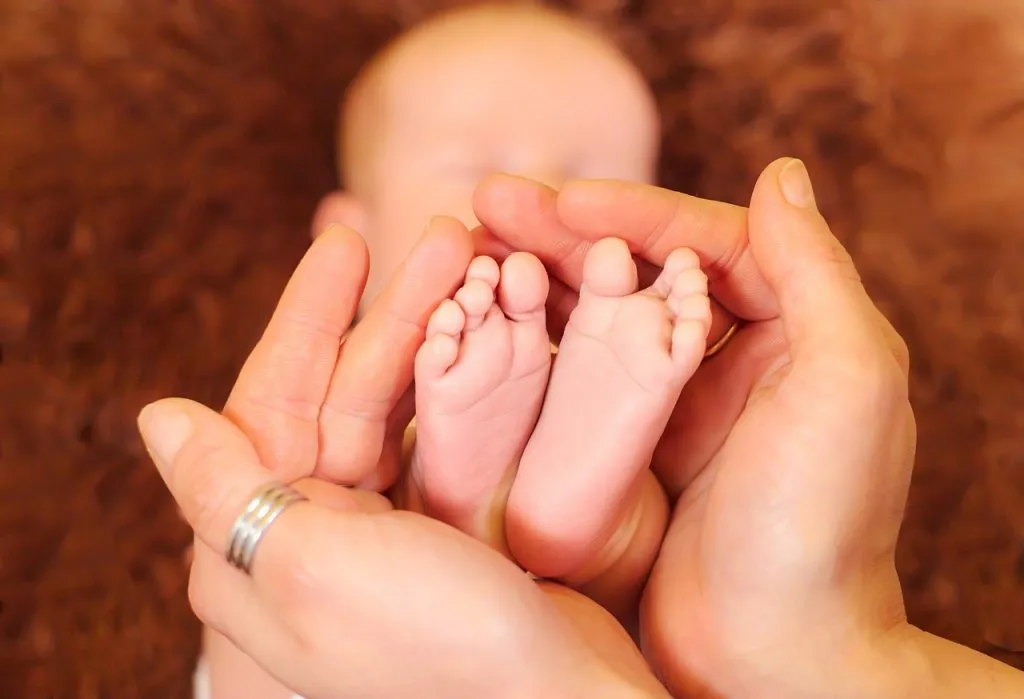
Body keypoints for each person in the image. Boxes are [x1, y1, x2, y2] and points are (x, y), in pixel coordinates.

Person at [139, 158, 1024, 698]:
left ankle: (520, 513)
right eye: (480, 154)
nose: (543, 175)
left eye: (587, 162)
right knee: (610, 554)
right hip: (597, 647)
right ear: (348, 222)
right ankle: (531, 517)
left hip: (566, 640)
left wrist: (255, 523)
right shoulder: (335, 418)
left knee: (627, 538)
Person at [192, 3, 723, 696]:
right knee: (288, 515)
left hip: (571, 656)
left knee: (652, 524)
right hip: (349, 637)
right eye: (473, 169)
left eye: (595, 176)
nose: (541, 195)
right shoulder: (307, 397)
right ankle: (537, 517)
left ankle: (553, 514)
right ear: (352, 230)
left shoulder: (647, 381)